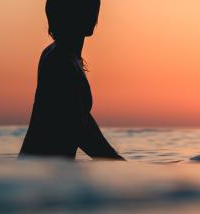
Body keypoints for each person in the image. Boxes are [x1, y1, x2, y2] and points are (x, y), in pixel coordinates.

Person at [19, 0, 124, 160]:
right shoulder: (61, 62)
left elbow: (81, 118)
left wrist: (119, 163)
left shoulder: (60, 55)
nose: (93, 13)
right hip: (42, 175)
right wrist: (121, 166)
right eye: (85, 7)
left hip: (39, 171)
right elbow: (79, 131)